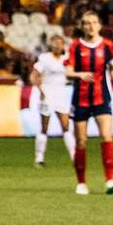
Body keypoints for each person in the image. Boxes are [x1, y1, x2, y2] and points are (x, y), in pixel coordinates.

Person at [67, 11, 113, 195]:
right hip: (80, 99)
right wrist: (79, 74)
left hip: (102, 98)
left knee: (106, 136)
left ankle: (110, 180)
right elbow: (68, 71)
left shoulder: (108, 46)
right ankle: (81, 183)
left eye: (94, 22)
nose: (91, 26)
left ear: (100, 25)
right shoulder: (75, 47)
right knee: (81, 141)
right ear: (81, 26)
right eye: (86, 23)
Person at [30, 34, 76, 167]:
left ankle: (74, 157)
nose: (57, 45)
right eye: (55, 43)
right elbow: (34, 75)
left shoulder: (67, 58)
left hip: (61, 94)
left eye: (60, 43)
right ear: (51, 45)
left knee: (66, 126)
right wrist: (41, 91)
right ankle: (39, 159)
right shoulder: (44, 58)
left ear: (63, 45)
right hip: (47, 94)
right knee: (44, 127)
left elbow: (71, 74)